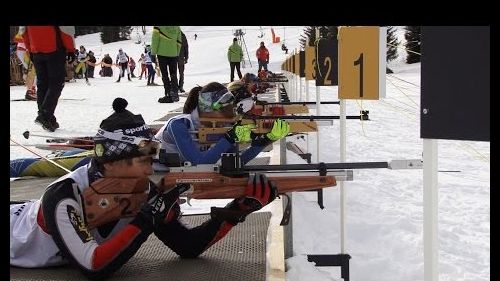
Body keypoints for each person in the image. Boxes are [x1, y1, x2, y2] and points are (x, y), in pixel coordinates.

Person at [10, 97, 278, 280]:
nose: (151, 169)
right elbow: (93, 266)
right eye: (144, 161)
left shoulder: (142, 191)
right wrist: (147, 218)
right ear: (114, 162)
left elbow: (187, 247)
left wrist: (238, 209)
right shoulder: (63, 195)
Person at [154, 81, 290, 166]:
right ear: (207, 108)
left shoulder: (219, 127)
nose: (229, 115)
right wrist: (229, 138)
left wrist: (265, 140)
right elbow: (199, 164)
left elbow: (235, 163)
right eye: (223, 110)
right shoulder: (179, 125)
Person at [21, 26, 76, 132]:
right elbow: (66, 30)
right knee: (56, 83)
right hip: (54, 49)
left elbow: (23, 31)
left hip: (36, 49)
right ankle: (45, 115)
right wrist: (70, 49)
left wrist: (30, 49)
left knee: (43, 84)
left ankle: (48, 118)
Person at [152, 26, 182, 103]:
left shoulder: (158, 27)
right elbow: (179, 41)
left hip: (161, 53)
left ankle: (168, 94)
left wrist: (153, 53)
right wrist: (177, 53)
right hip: (173, 53)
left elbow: (155, 40)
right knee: (174, 74)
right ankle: (175, 94)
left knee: (165, 75)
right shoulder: (177, 27)